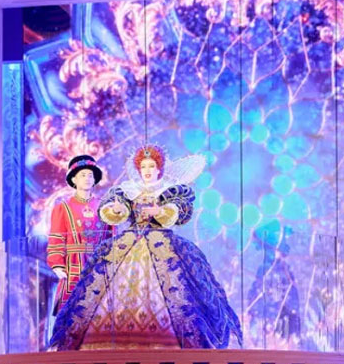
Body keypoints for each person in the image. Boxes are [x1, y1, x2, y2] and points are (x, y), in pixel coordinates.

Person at [50, 145, 242, 351]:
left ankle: (169, 341)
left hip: (162, 243)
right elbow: (114, 212)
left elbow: (179, 212)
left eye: (151, 166)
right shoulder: (129, 190)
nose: (147, 170)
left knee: (177, 288)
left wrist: (160, 211)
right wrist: (118, 209)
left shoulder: (169, 190)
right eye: (143, 167)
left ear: (159, 168)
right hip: (129, 242)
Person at [46, 155, 110, 314]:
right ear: (74, 179)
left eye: (90, 175)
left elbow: (111, 238)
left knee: (98, 313)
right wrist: (57, 265)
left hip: (98, 265)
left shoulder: (104, 207)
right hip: (73, 266)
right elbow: (56, 238)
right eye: (83, 175)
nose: (87, 178)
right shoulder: (63, 207)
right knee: (71, 314)